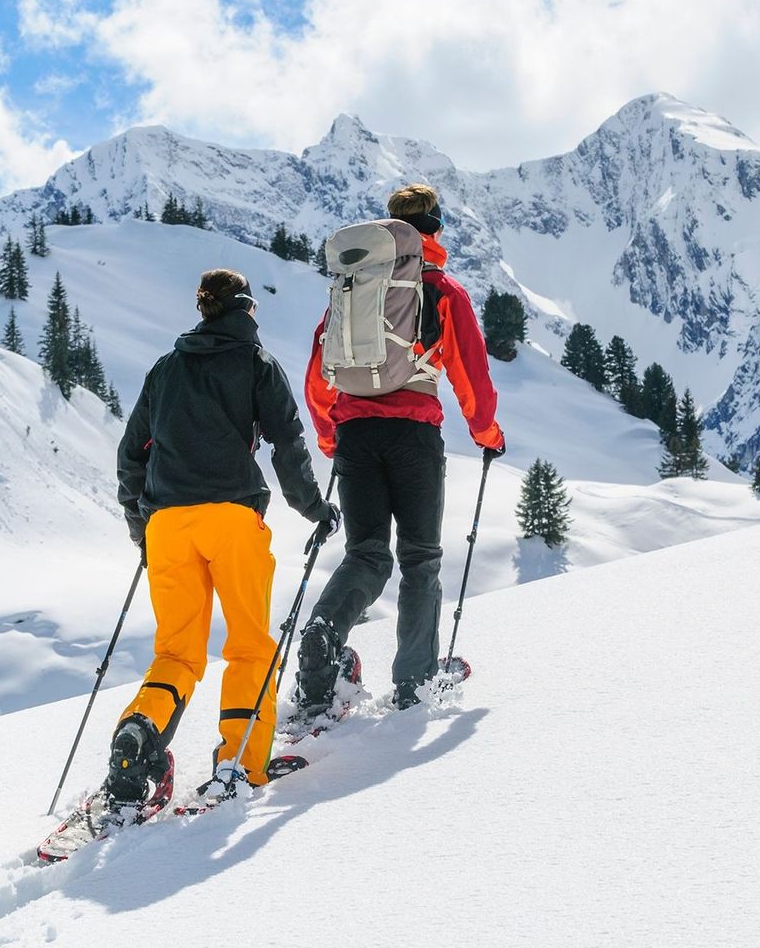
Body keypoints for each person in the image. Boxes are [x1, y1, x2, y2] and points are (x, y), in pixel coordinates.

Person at [102, 268, 339, 816]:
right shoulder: (256, 363)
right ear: (247, 309)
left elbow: (130, 456)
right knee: (250, 646)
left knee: (176, 654)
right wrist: (315, 510)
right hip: (231, 519)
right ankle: (242, 764)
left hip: (167, 525)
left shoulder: (165, 369)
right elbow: (287, 444)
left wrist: (144, 528)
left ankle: (139, 734)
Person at [297, 183, 505, 714]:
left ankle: (323, 633)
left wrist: (330, 436)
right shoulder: (439, 289)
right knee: (420, 559)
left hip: (354, 434)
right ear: (434, 228)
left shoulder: (353, 289)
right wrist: (487, 435)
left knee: (366, 554)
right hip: (413, 436)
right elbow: (471, 375)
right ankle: (414, 682)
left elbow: (320, 373)